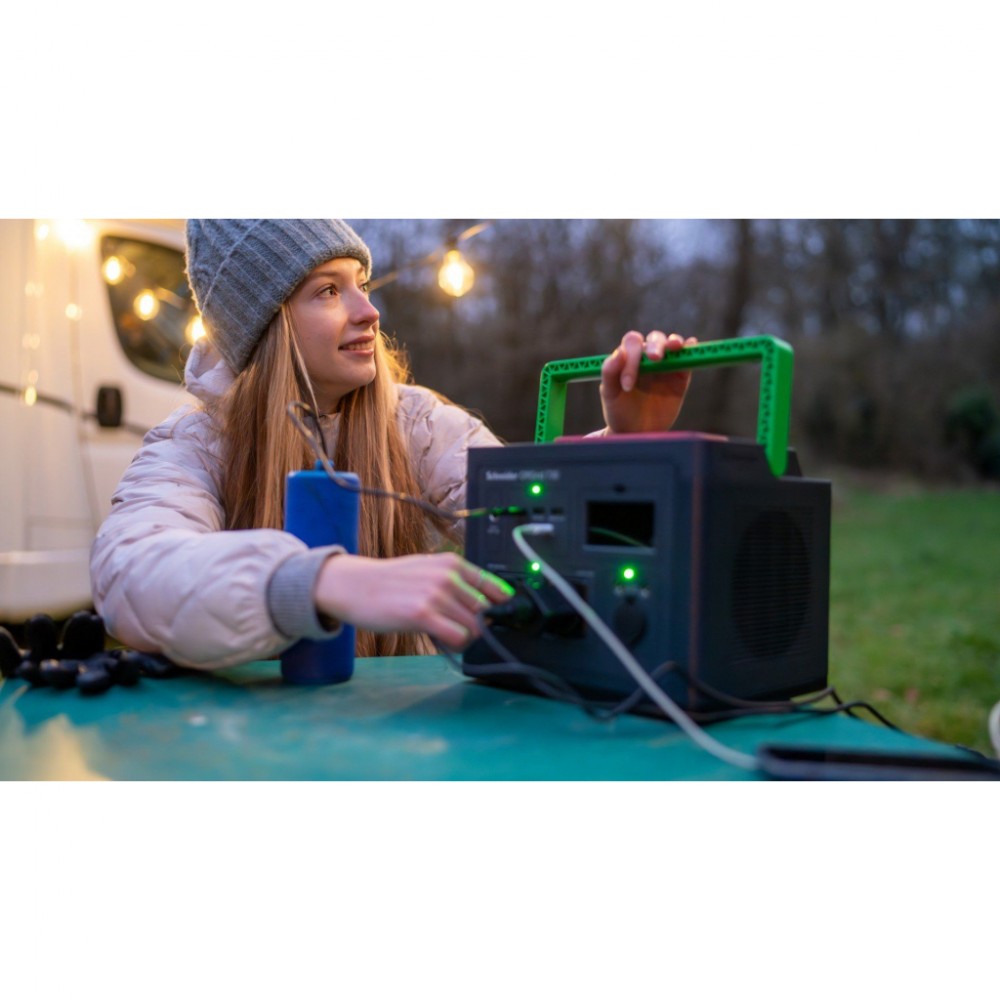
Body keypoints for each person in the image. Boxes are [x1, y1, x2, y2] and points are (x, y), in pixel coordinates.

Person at [90, 219, 697, 669]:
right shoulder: (195, 444)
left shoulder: (416, 422)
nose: (369, 311)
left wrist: (625, 446)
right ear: (266, 326)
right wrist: (320, 583)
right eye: (329, 291)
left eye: (361, 284)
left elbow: (534, 523)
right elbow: (130, 577)